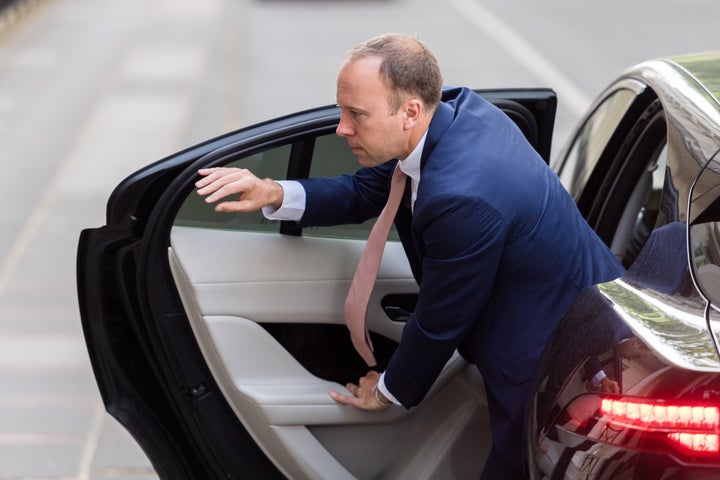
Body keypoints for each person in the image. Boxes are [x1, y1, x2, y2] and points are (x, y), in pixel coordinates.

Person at [195, 33, 625, 479]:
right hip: (564, 316)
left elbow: (442, 317)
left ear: (411, 111)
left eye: (356, 114)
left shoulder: (460, 196)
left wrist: (387, 391)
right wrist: (273, 191)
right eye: (342, 111)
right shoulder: (458, 112)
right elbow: (367, 190)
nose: (342, 128)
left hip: (561, 360)